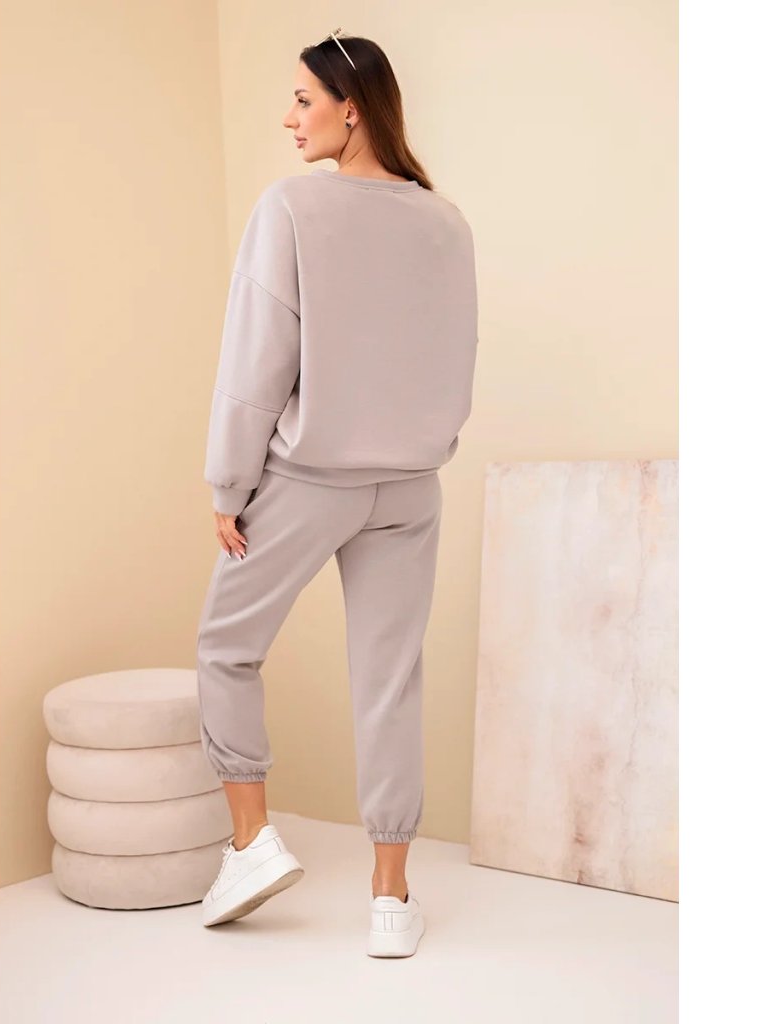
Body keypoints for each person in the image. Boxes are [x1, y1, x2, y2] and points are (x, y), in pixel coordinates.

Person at [195, 29, 478, 958]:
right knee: (390, 682)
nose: (289, 117)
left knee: (227, 648)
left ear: (351, 109)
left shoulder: (290, 208)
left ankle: (251, 845)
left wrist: (230, 483)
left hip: (308, 479)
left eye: (303, 100)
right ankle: (392, 900)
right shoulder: (445, 222)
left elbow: (255, 362)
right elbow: (456, 360)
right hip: (412, 489)